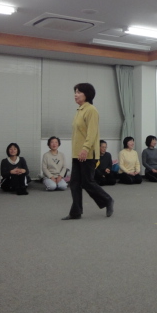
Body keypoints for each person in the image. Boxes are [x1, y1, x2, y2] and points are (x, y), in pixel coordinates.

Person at [62, 83, 114, 220]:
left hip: (87, 154)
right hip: (77, 153)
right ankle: (76, 212)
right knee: (74, 183)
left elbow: (92, 133)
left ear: (87, 94)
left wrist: (85, 149)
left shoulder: (91, 110)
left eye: (79, 92)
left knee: (87, 182)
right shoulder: (79, 110)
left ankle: (107, 200)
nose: (76, 94)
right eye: (75, 92)